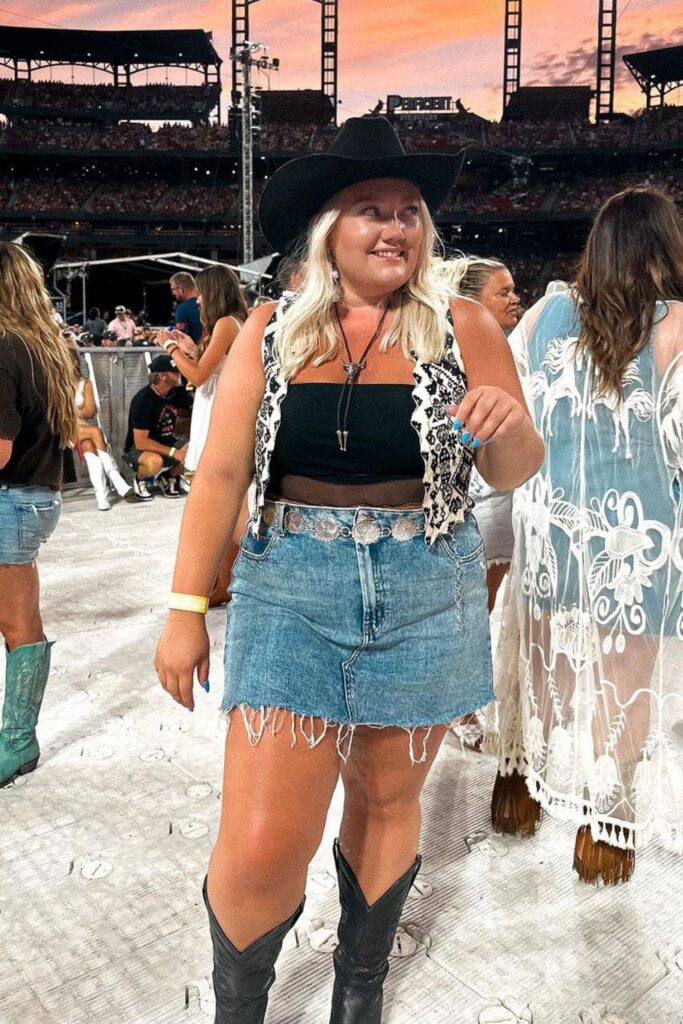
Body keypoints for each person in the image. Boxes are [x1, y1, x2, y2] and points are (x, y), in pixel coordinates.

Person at [154, 116, 544, 1023]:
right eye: (371, 209)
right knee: (258, 844)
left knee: (383, 805)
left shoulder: (464, 325)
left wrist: (510, 423)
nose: (395, 227)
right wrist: (182, 606)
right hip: (290, 583)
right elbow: (217, 476)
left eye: (408, 210)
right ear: (329, 229)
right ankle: (239, 1010)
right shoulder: (270, 328)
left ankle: (357, 992)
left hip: (426, 586)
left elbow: (512, 469)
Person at [490, 187, 683, 884]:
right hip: (637, 542)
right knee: (623, 682)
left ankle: (515, 788)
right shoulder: (674, 328)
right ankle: (605, 828)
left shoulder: (543, 314)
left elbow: (508, 409)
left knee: (543, 670)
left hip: (548, 532)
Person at [0, 242, 77, 787]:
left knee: (18, 625)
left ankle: (17, 742)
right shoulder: (42, 346)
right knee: (20, 624)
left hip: (9, 498)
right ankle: (17, 740)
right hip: (34, 498)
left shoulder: (3, 348)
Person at [434, 255, 521, 610]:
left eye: (514, 290)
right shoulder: (450, 355)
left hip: (511, 491)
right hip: (478, 498)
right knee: (471, 607)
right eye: (503, 293)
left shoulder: (520, 343)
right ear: (471, 302)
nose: (515, 298)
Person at [157, 264, 248, 473]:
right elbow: (222, 363)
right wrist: (193, 350)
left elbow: (198, 376)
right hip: (221, 401)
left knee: (214, 476)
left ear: (213, 293)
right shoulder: (236, 320)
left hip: (219, 405)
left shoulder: (226, 323)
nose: (198, 299)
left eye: (201, 293)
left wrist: (169, 346)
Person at [123, 354, 193, 501]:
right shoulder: (143, 400)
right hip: (140, 447)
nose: (179, 374)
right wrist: (174, 452)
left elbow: (193, 410)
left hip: (167, 440)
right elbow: (141, 441)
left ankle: (168, 477)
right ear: (162, 376)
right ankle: (140, 478)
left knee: (196, 454)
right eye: (175, 372)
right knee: (154, 462)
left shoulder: (177, 393)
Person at [70, 349, 132, 509]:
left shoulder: (85, 383)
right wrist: (72, 411)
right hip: (65, 427)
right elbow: (57, 412)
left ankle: (101, 497)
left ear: (76, 362)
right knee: (96, 431)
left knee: (89, 446)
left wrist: (69, 410)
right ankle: (116, 478)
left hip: (81, 427)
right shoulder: (56, 383)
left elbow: (90, 411)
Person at [170, 271, 202, 344]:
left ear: (181, 289)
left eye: (173, 289)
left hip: (195, 352)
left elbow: (181, 336)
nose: (172, 293)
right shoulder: (211, 304)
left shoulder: (182, 309)